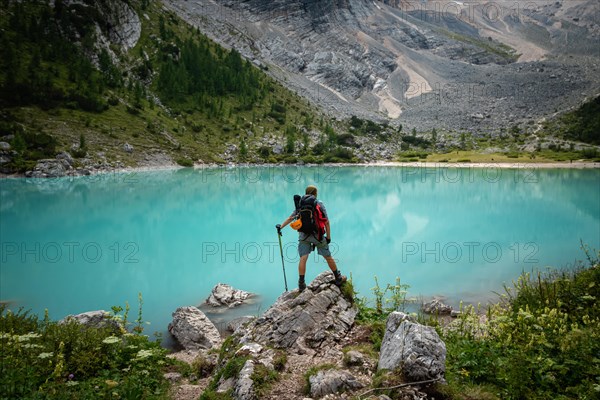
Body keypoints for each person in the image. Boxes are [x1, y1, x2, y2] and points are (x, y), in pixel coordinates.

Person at [276, 185, 344, 291]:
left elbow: (291, 218)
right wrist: (328, 237)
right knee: (328, 256)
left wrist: (281, 226)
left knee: (303, 258)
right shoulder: (318, 203)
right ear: (315, 193)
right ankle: (338, 278)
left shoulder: (300, 204)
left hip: (303, 235)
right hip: (318, 235)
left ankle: (301, 284)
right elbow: (326, 221)